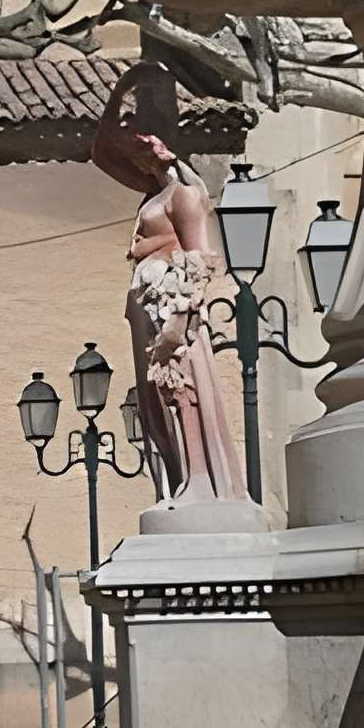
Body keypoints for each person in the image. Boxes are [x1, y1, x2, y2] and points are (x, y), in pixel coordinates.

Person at [90, 65, 250, 514]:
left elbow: (201, 262)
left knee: (182, 395)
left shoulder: (185, 194)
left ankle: (199, 481)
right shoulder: (151, 192)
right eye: (141, 137)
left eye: (154, 135)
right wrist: (121, 90)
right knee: (157, 405)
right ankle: (179, 481)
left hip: (171, 313)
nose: (145, 143)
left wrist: (178, 324)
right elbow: (101, 151)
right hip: (148, 310)